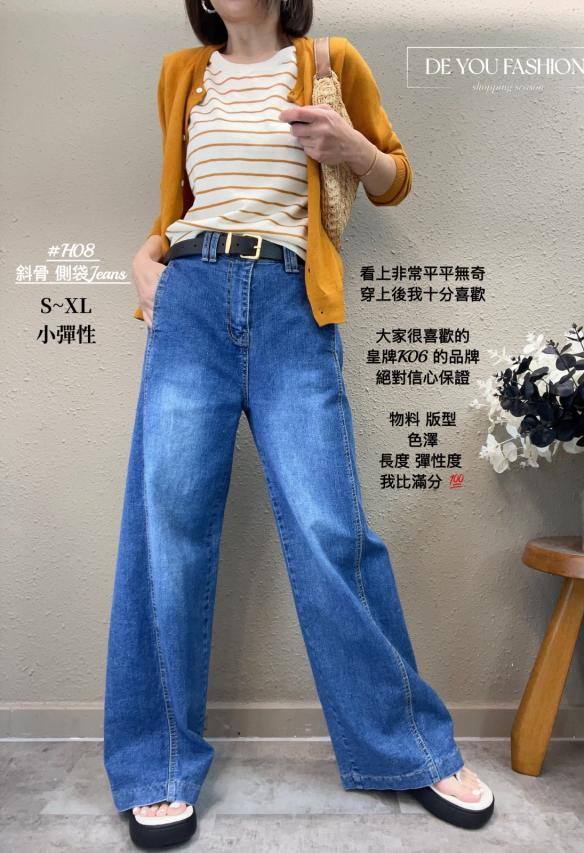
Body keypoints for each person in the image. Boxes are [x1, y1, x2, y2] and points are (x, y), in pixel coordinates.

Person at [103, 0, 495, 847]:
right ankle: (156, 763)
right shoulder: (182, 75)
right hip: (191, 302)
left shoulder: (330, 61)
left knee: (331, 529)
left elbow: (394, 177)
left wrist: (348, 145)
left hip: (291, 305)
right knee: (166, 529)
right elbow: (179, 204)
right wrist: (145, 259)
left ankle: (409, 746)